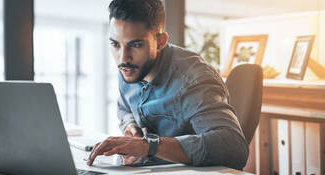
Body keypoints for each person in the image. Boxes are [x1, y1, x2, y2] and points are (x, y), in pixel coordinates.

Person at [87, 0, 249, 170]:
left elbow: (234, 148)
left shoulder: (194, 80)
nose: (122, 58)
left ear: (161, 41)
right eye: (115, 44)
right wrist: (131, 126)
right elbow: (124, 107)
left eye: (136, 45)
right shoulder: (130, 67)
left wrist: (148, 146)